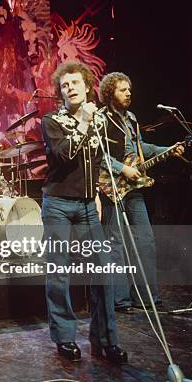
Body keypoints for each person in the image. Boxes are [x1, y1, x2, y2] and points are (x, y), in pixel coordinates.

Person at [40, 61, 127, 364]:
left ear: (88, 86)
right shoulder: (52, 121)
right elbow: (65, 155)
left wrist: (99, 192)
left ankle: (105, 339)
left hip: (89, 205)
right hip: (58, 205)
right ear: (60, 92)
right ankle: (65, 338)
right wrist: (84, 123)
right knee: (59, 273)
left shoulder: (99, 120)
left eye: (75, 83)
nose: (70, 88)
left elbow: (102, 160)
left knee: (104, 272)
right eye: (65, 85)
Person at [98, 72, 184, 312]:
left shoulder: (131, 118)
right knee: (116, 244)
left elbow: (140, 148)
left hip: (133, 188)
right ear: (109, 94)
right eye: (122, 90)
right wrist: (121, 169)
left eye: (129, 90)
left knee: (145, 240)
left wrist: (166, 150)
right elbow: (98, 155)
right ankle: (120, 300)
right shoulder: (101, 119)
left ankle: (147, 297)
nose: (128, 94)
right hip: (112, 187)